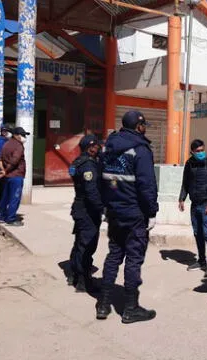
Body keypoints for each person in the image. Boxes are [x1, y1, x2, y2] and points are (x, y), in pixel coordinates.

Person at [96, 111, 159, 324]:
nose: (145, 129)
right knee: (133, 259)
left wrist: (106, 205)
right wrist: (151, 212)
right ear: (139, 126)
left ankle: (103, 304)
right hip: (134, 213)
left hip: (114, 211)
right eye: (144, 126)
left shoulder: (108, 146)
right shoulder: (140, 150)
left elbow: (101, 180)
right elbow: (147, 186)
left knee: (114, 254)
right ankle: (130, 308)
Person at [178, 139, 207, 277]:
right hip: (195, 205)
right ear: (192, 152)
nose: (201, 153)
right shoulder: (189, 163)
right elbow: (185, 182)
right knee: (198, 233)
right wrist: (181, 198)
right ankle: (201, 261)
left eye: (202, 150)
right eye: (197, 151)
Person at [68, 134, 104, 293]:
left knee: (79, 244)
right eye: (97, 146)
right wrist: (102, 209)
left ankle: (74, 275)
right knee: (87, 246)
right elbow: (92, 192)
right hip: (87, 210)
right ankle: (83, 281)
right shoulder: (88, 165)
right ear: (91, 147)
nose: (99, 148)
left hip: (80, 208)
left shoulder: (79, 161)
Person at [0, 127, 30, 227]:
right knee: (15, 197)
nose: (23, 137)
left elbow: (0, 159)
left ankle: (1, 215)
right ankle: (10, 218)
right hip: (16, 175)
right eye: (22, 135)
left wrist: (3, 170)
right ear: (16, 135)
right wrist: (5, 171)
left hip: (8, 176)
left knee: (6, 196)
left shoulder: (6, 144)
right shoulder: (19, 146)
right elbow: (15, 161)